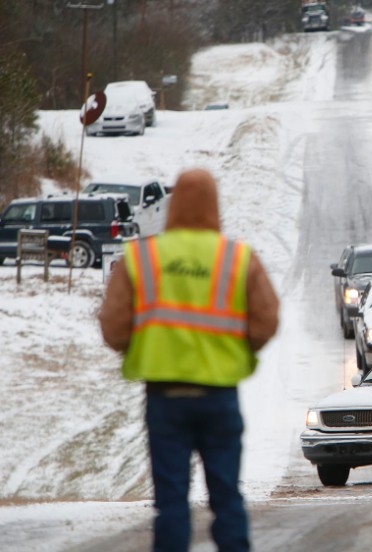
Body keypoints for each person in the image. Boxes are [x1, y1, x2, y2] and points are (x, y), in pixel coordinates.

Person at [98, 168, 280, 552]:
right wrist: (234, 350)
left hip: (165, 397)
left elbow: (113, 329)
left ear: (173, 204)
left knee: (171, 502)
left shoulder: (143, 258)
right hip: (219, 395)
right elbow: (266, 321)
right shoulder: (236, 258)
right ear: (215, 205)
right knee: (227, 496)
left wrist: (145, 344)